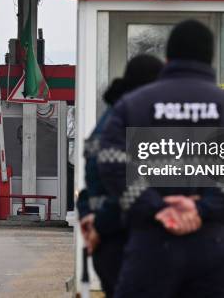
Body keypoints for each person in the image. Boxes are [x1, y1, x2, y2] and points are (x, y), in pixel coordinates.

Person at [97, 20, 224, 297]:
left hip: (151, 244)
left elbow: (112, 162)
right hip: (215, 244)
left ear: (168, 58)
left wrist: (158, 207)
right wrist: (202, 208)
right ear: (210, 58)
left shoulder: (134, 104)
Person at [77, 54, 164, 297]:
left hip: (109, 242)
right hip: (125, 239)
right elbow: (131, 191)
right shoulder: (135, 124)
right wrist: (99, 224)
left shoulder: (109, 118)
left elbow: (94, 184)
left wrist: (88, 215)